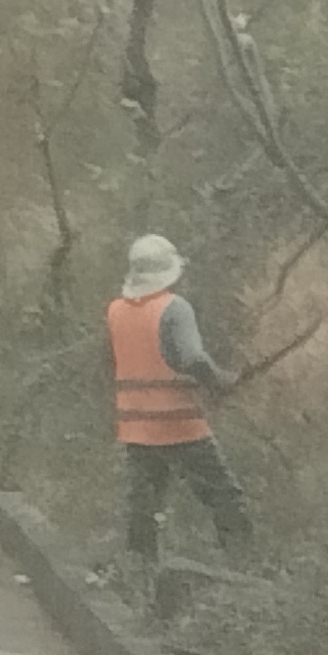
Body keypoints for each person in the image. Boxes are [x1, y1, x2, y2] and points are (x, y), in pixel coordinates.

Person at [108, 233, 253, 564]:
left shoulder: (116, 311)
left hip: (134, 427)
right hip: (179, 424)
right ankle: (242, 565)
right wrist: (220, 381)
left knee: (144, 505)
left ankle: (138, 568)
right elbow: (192, 358)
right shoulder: (175, 309)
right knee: (223, 494)